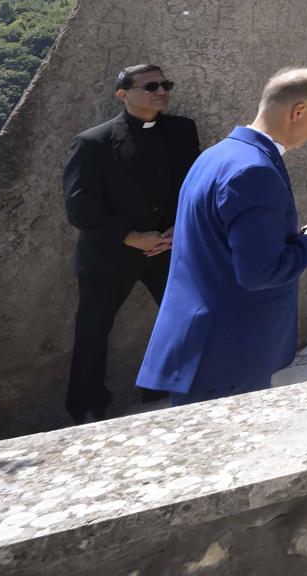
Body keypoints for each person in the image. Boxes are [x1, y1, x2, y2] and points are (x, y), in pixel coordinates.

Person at [137, 67, 307, 405]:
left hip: (200, 338)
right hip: (227, 351)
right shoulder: (255, 171)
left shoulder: (218, 155)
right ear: (299, 111)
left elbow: (221, 241)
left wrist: (293, 236)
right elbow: (260, 273)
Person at [61, 64, 202, 422]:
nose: (161, 91)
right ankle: (87, 406)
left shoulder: (184, 131)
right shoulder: (92, 142)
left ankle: (162, 383)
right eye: (150, 86)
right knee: (93, 331)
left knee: (185, 316)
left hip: (168, 247)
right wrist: (133, 237)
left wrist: (175, 231)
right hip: (109, 254)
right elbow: (79, 207)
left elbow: (191, 185)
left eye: (164, 84)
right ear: (122, 94)